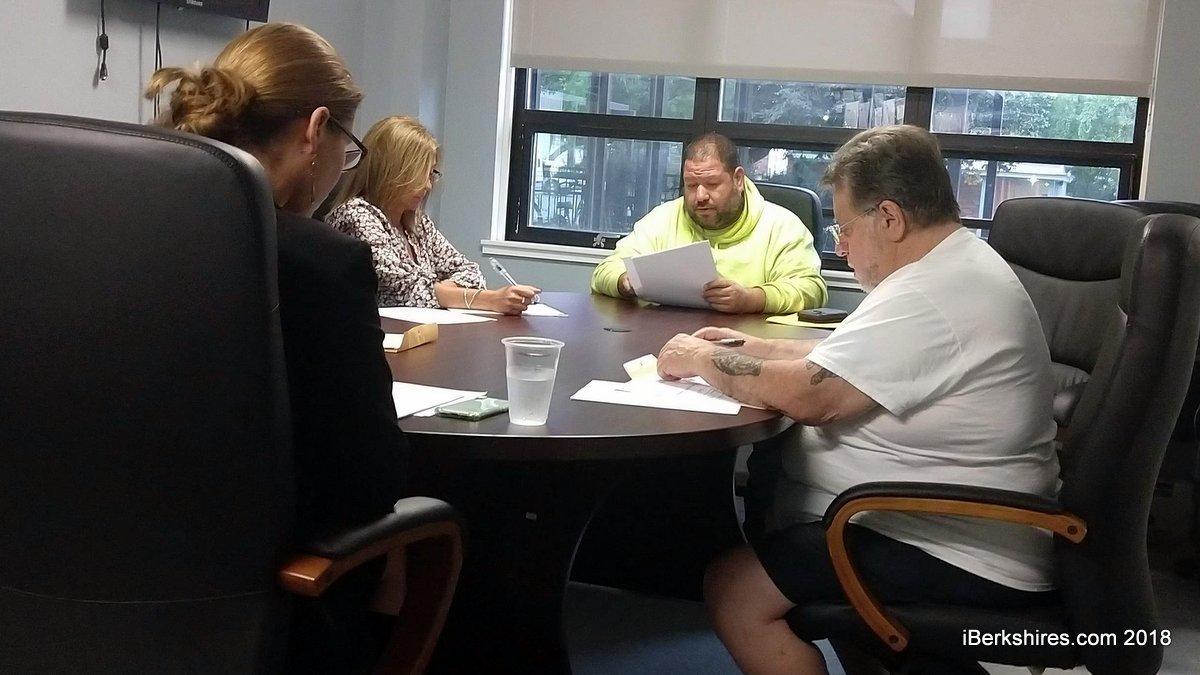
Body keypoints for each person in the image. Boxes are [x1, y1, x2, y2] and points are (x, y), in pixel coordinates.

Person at [655, 125, 1060, 674]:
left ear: (889, 218)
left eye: (844, 228)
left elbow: (813, 396)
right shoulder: (947, 267)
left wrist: (703, 360)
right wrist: (747, 346)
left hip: (953, 544)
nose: (841, 246)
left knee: (733, 590)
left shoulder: (932, 292)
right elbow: (842, 357)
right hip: (930, 525)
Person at [146, 23, 406, 673]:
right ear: (315, 131)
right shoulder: (323, 263)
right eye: (349, 150)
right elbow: (368, 482)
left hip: (65, 583)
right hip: (267, 607)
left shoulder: (102, 228)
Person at [590, 132, 827, 314]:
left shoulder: (782, 226)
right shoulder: (664, 218)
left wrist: (752, 299)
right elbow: (605, 270)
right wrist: (626, 281)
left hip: (749, 344)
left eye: (712, 184)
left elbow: (812, 290)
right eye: (692, 185)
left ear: (738, 179)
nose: (700, 196)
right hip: (668, 337)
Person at [326, 116, 539, 314]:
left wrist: (442, 290)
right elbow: (403, 289)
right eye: (419, 174)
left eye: (431, 175)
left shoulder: (417, 223)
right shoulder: (354, 214)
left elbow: (470, 272)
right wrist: (491, 300)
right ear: (391, 171)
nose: (428, 186)